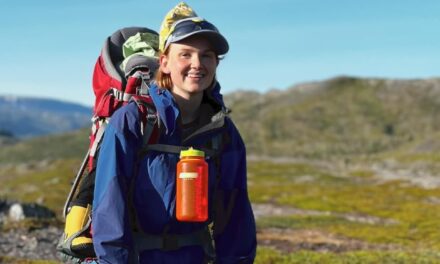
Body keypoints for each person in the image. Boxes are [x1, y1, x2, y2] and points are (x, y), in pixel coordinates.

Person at [92, 2, 257, 263]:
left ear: (216, 63)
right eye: (186, 54)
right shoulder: (133, 121)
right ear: (165, 62)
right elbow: (109, 212)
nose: (197, 64)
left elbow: (236, 217)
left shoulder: (223, 131)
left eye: (207, 56)